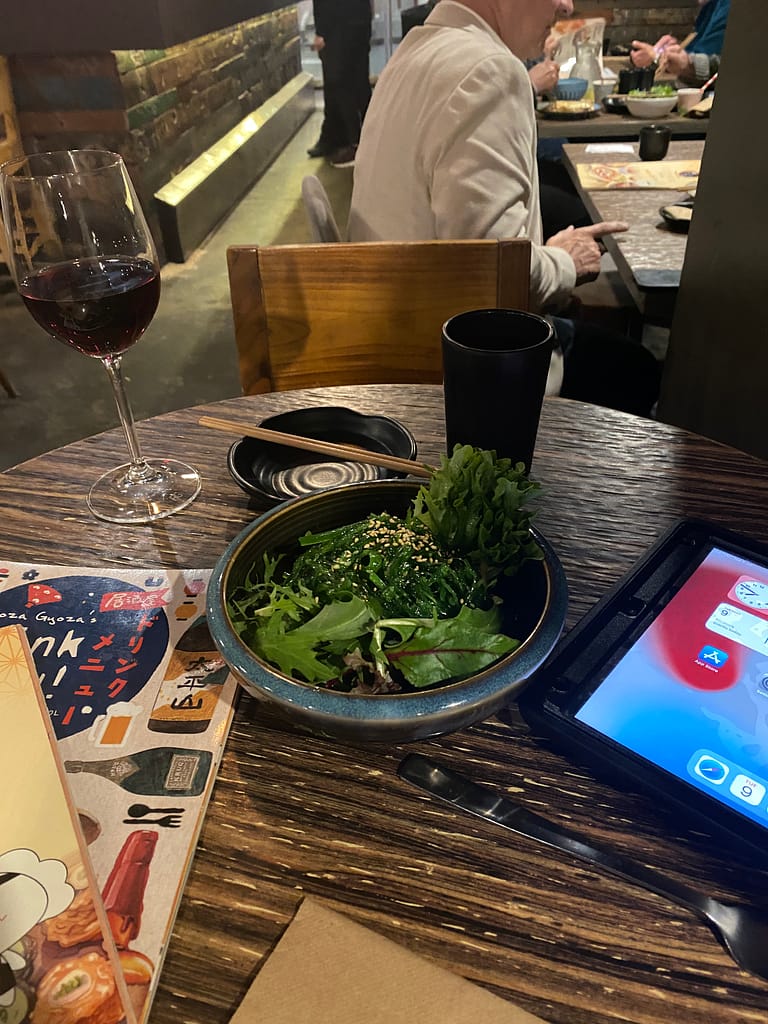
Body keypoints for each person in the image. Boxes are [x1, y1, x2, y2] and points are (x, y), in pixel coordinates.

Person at [348, 0, 661, 415]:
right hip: (460, 377)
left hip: (393, 338)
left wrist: (544, 253)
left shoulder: (412, 51)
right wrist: (566, 262)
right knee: (640, 370)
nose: (566, 5)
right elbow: (495, 280)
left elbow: (476, 248)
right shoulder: (489, 70)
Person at [307, 0, 372, 168]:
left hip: (339, 24)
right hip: (358, 19)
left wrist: (322, 31)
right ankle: (360, 140)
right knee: (357, 82)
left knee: (342, 83)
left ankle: (355, 144)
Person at [630, 0, 729, 85]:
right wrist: (668, 51)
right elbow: (692, 53)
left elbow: (708, 60)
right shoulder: (710, 6)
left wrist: (658, 57)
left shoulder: (728, 6)